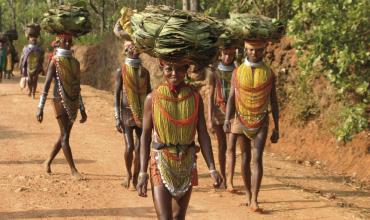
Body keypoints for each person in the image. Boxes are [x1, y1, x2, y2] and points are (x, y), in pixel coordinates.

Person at [137, 59, 222, 220]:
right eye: (169, 69)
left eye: (179, 69)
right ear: (162, 69)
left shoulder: (195, 98)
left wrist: (212, 168)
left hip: (186, 161)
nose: (174, 74)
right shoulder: (152, 98)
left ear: (186, 70)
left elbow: (203, 133)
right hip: (160, 160)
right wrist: (142, 173)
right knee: (165, 217)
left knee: (178, 217)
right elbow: (145, 136)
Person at [224, 39, 279, 212]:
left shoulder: (269, 73)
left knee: (257, 158)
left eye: (258, 50)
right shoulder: (238, 72)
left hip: (261, 119)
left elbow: (274, 101)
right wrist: (227, 119)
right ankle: (248, 195)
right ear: (245, 50)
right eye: (251, 50)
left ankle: (255, 199)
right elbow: (232, 97)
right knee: (245, 157)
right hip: (241, 118)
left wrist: (277, 126)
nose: (254, 53)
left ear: (263, 50)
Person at [36, 34, 87, 180]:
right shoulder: (55, 62)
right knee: (65, 136)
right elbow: (46, 85)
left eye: (69, 41)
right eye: (64, 41)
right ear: (58, 42)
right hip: (59, 100)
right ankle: (73, 170)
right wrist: (40, 107)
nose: (67, 43)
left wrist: (82, 108)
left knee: (64, 135)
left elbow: (77, 87)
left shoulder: (75, 63)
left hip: (73, 101)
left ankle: (47, 161)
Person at [114, 40, 151, 188]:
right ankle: (128, 174)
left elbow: (149, 94)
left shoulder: (145, 72)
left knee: (140, 147)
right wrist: (116, 117)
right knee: (129, 147)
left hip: (142, 114)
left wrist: (152, 115)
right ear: (127, 51)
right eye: (132, 48)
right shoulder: (121, 71)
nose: (134, 51)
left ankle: (136, 177)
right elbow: (116, 94)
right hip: (126, 112)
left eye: (137, 48)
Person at [207, 46, 237, 190]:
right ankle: (224, 178)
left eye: (231, 54)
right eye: (225, 54)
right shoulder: (214, 72)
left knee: (231, 146)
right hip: (219, 110)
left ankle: (230, 181)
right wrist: (209, 117)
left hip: (234, 112)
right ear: (220, 54)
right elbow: (210, 95)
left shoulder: (238, 70)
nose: (227, 57)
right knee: (222, 145)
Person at [19, 27, 44, 98]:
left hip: (37, 66)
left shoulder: (39, 49)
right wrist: (21, 65)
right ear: (28, 38)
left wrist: (41, 65)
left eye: (35, 37)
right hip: (28, 66)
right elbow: (23, 57)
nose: (33, 39)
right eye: (31, 37)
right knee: (29, 80)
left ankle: (33, 92)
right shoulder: (26, 48)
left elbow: (42, 58)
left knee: (35, 79)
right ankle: (30, 90)